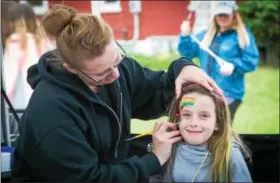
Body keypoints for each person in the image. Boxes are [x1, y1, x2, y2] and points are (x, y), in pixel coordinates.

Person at [11, 5, 221, 182]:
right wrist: (154, 159)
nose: (116, 75)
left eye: (117, 61)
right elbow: (92, 179)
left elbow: (158, 90)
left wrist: (182, 68)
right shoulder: (52, 115)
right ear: (71, 68)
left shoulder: (117, 71)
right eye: (102, 73)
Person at [149, 81, 252, 182]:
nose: (194, 123)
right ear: (177, 119)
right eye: (187, 115)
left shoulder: (230, 155)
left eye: (204, 116)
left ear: (218, 123)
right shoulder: (167, 148)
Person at [177, 1, 259, 121]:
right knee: (205, 129)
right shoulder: (206, 35)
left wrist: (234, 66)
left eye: (226, 14)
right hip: (205, 91)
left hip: (229, 94)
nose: (222, 18)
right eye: (219, 14)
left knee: (221, 130)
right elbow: (188, 52)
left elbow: (251, 61)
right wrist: (184, 35)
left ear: (234, 14)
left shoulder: (242, 36)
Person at [3, 3, 49, 110]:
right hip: (42, 101)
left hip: (20, 105)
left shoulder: (16, 42)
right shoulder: (42, 41)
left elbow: (8, 78)